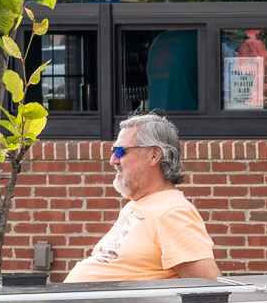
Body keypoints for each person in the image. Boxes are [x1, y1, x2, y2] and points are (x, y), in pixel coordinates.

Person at [66, 113, 220, 282]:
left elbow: (209, 287)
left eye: (120, 151)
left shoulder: (173, 212)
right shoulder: (141, 204)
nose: (113, 160)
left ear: (154, 155)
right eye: (113, 151)